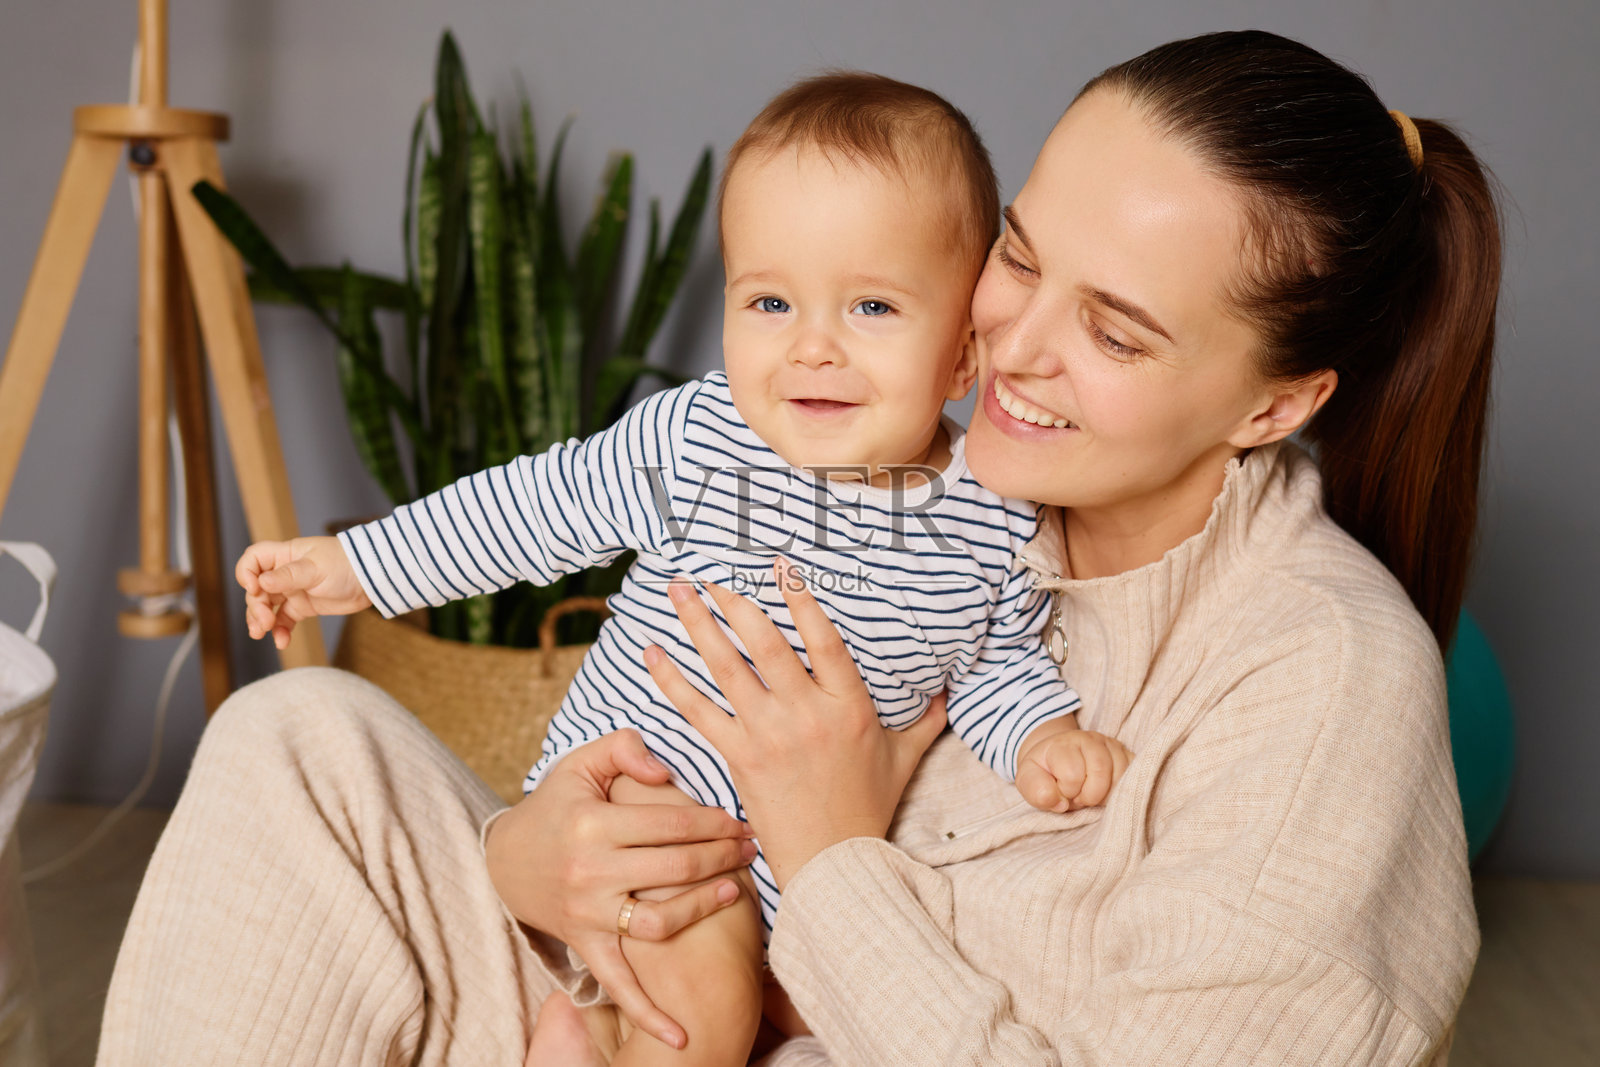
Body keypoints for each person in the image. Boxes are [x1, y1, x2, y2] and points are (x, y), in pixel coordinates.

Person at [97, 28, 1496, 1066]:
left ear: (1277, 400)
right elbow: (556, 507)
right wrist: (529, 853)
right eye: (1016, 256)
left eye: (1117, 330)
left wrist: (829, 845)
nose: (1008, 342)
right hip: (614, 970)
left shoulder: (1321, 683)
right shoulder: (896, 466)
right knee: (298, 739)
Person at [230, 72, 1132, 1066]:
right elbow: (537, 507)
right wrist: (360, 565)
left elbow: (993, 660)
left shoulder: (989, 515)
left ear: (963, 355)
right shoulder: (704, 440)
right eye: (771, 300)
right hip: (638, 801)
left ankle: (570, 1035)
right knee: (695, 1017)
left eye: (871, 305)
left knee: (679, 1009)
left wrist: (1042, 733)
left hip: (786, 875)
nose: (811, 347)